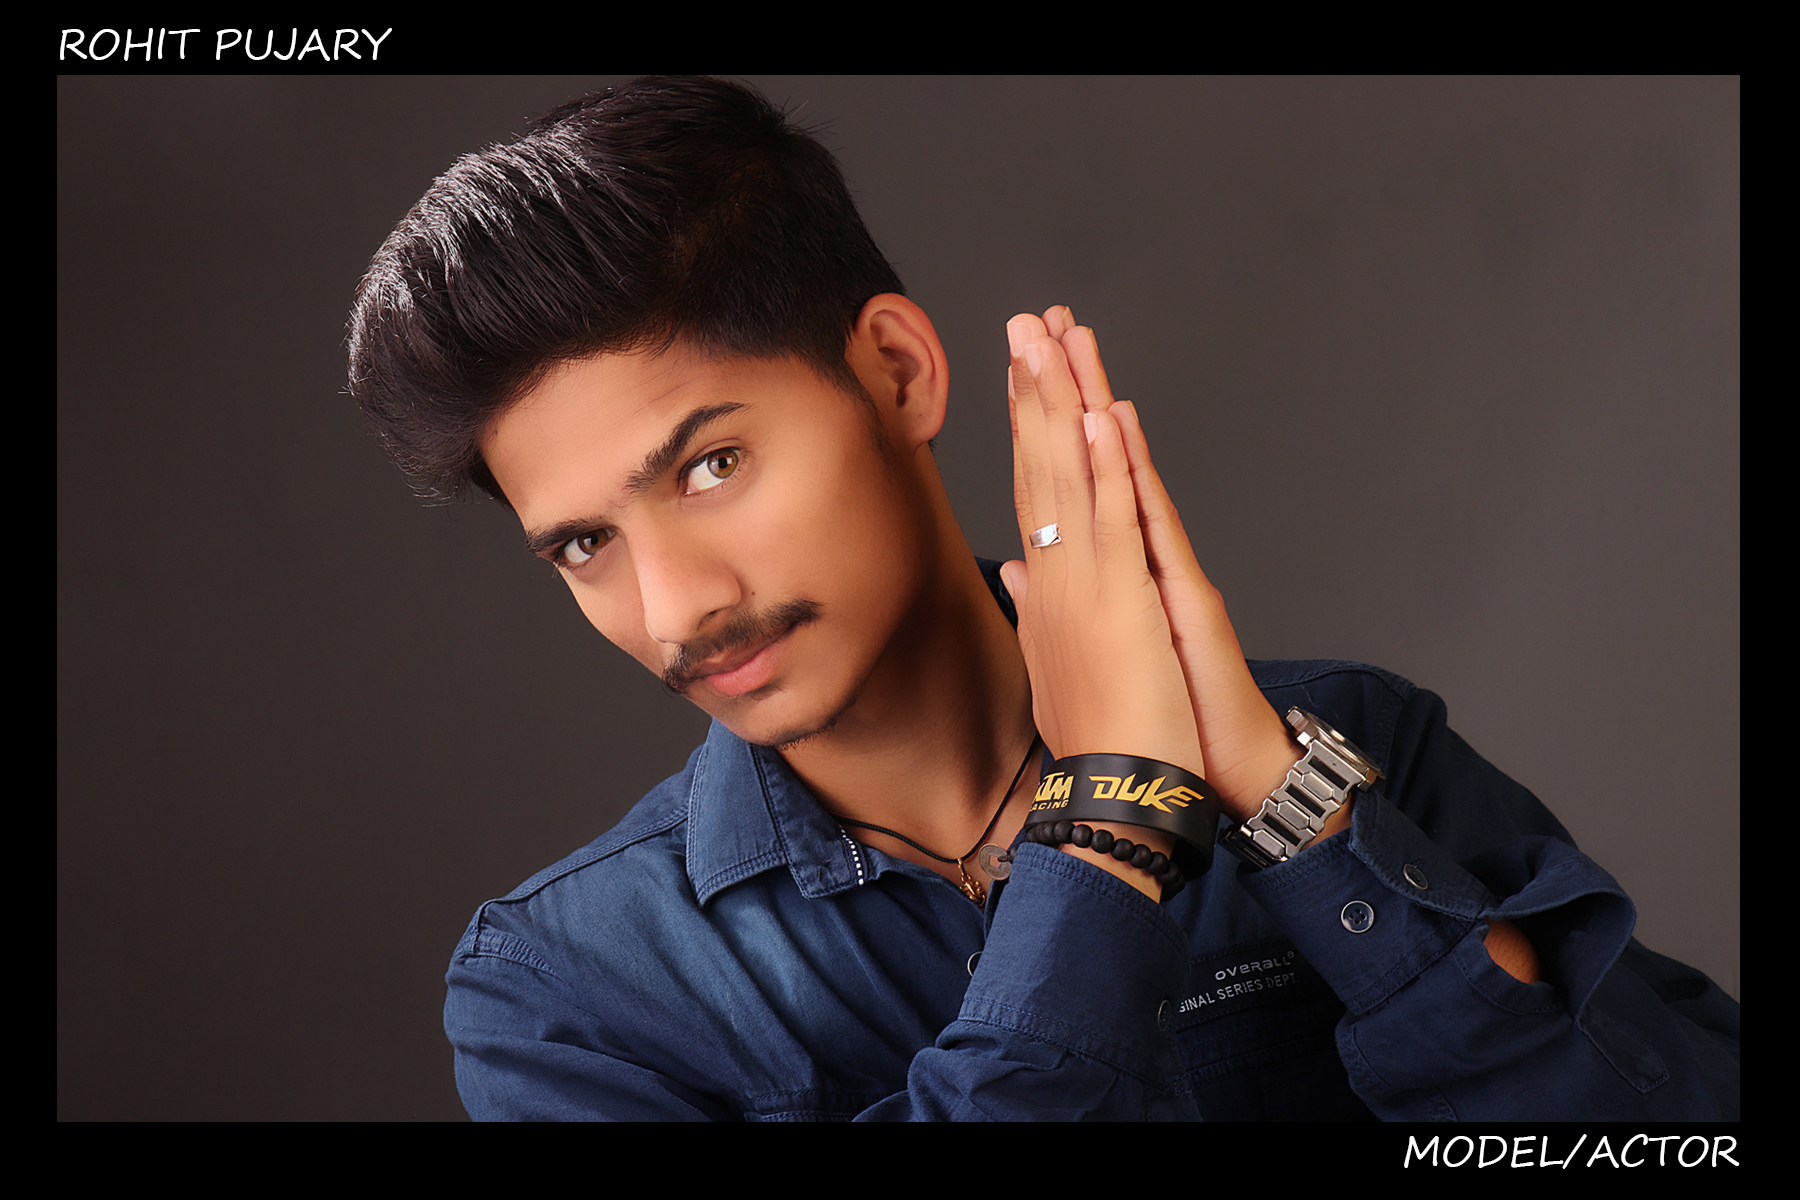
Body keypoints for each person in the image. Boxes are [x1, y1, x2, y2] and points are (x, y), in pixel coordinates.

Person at [348, 76, 1739, 1121]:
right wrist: (1108, 829)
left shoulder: (1344, 743)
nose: (673, 609)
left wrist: (1284, 800)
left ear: (896, 373)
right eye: (584, 545)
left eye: (710, 465)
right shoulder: (570, 988)